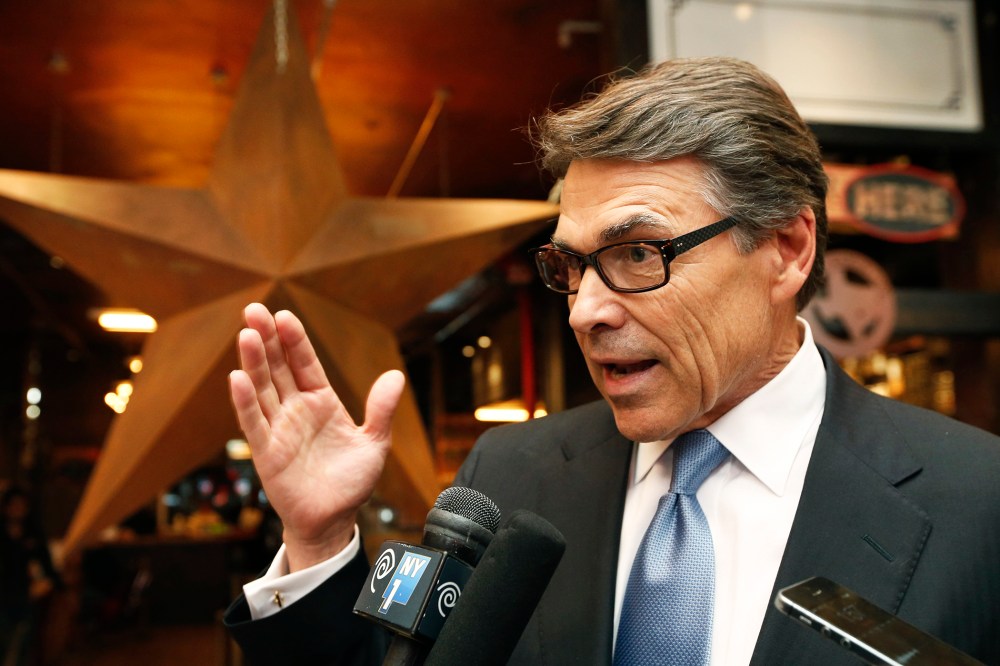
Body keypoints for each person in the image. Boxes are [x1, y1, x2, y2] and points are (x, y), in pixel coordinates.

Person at [223, 57, 1000, 665]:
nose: (585, 310)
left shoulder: (978, 502)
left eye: (637, 253)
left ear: (787, 248)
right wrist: (319, 539)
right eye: (571, 266)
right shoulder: (509, 476)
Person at [1, 486, 62, 666]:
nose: (17, 509)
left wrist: (54, 581)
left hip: (22, 592)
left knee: (23, 639)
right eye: (14, 505)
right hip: (3, 592)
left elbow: (45, 560)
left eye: (21, 505)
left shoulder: (31, 532)